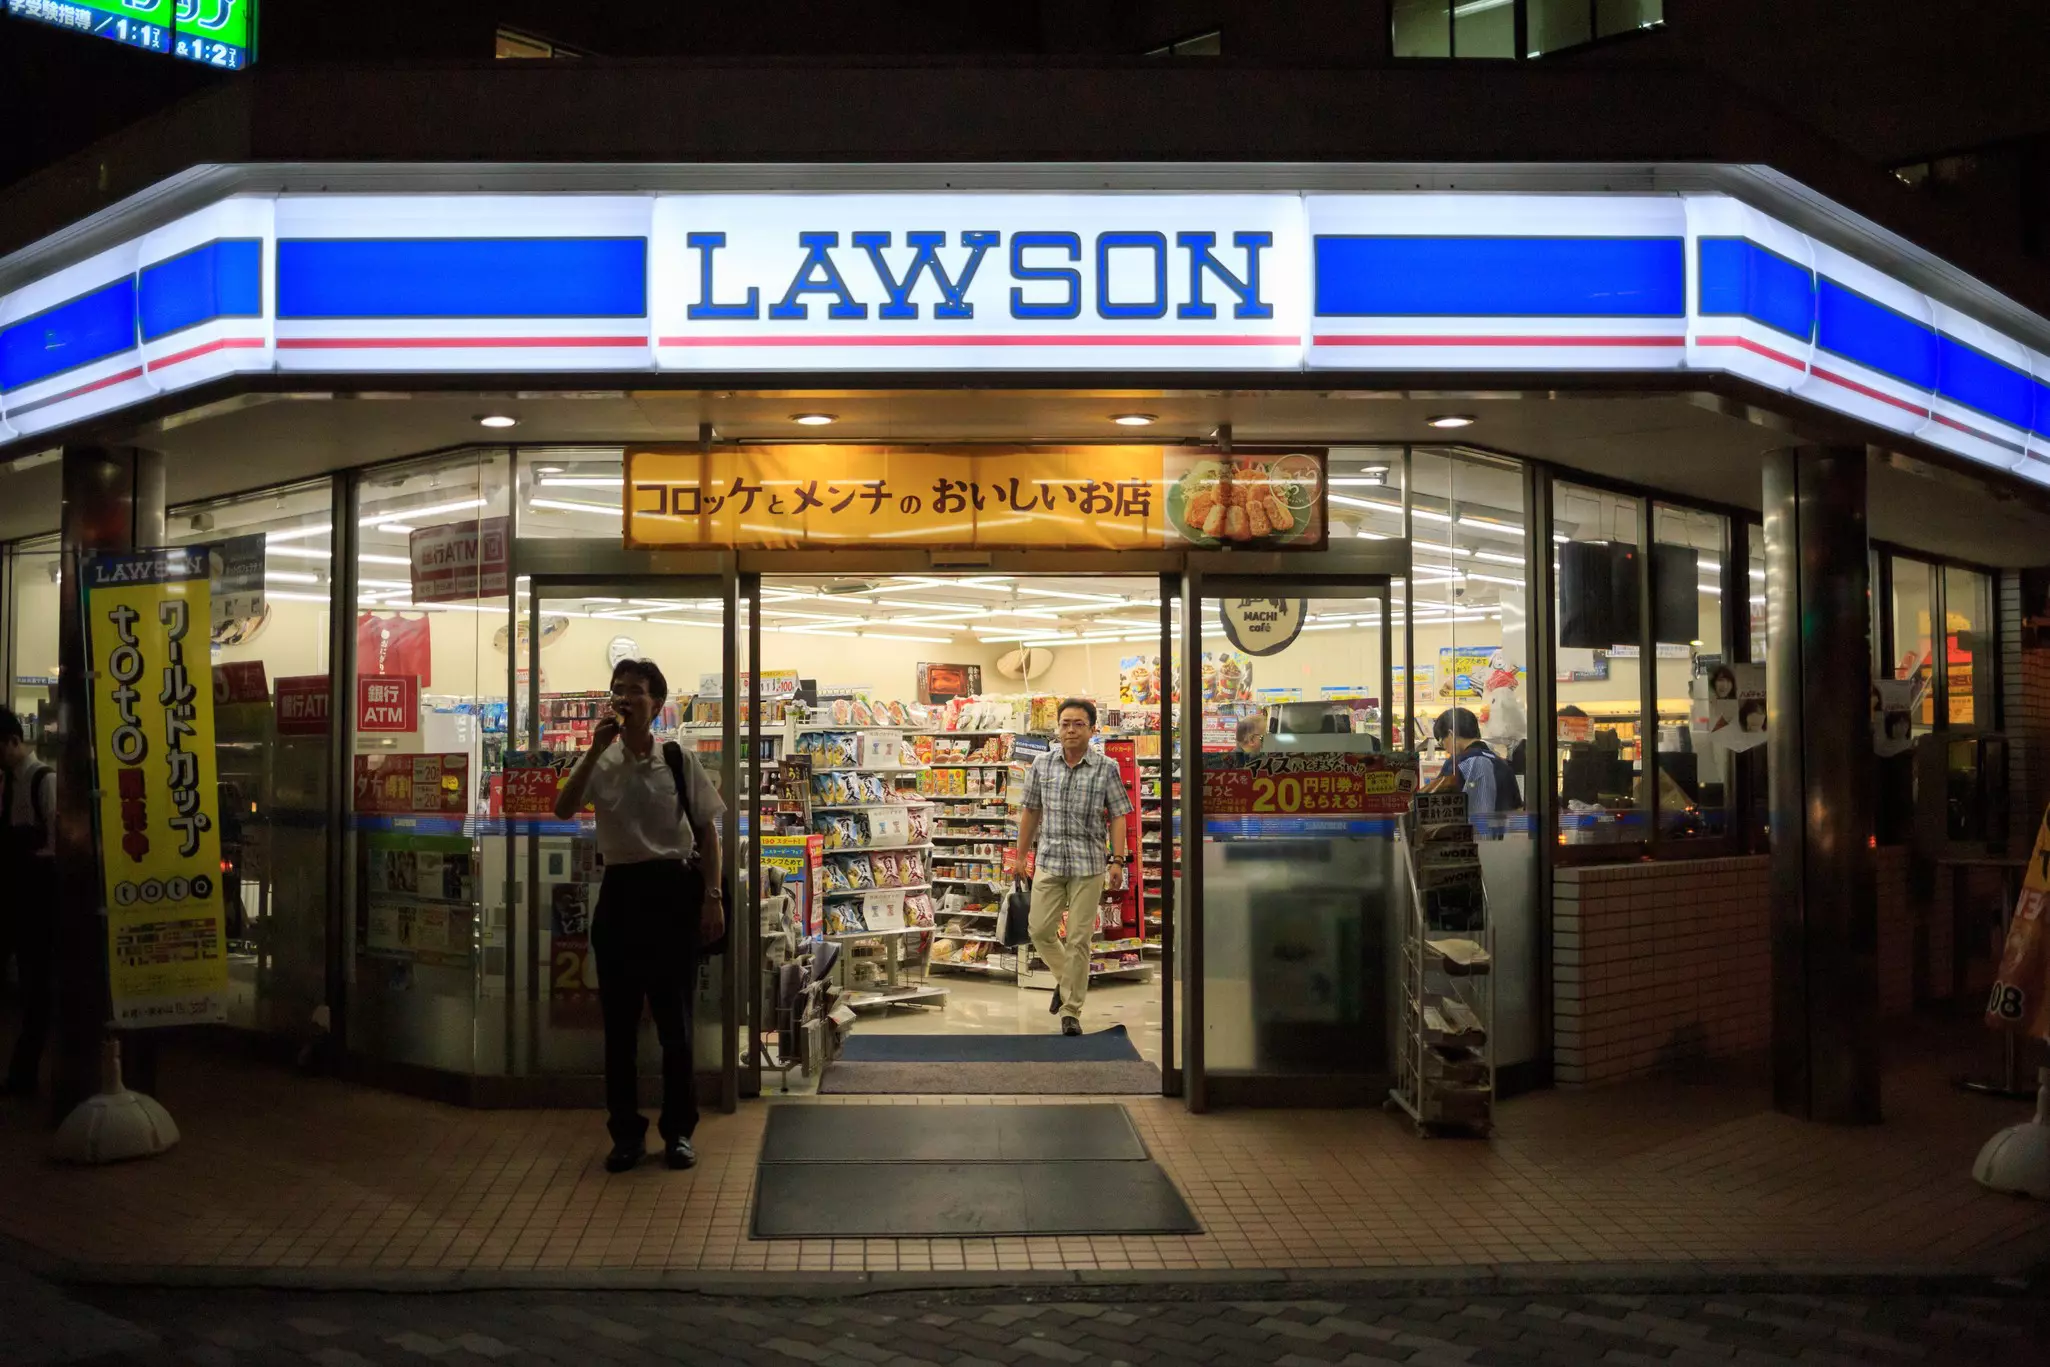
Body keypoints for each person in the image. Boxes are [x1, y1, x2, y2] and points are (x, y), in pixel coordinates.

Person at [553, 660, 725, 1174]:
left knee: (675, 1024)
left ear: (656, 703)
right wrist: (593, 748)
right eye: (618, 690)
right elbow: (564, 808)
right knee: (620, 1026)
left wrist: (711, 896)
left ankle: (678, 1133)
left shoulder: (677, 758)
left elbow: (707, 832)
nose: (625, 698)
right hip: (622, 893)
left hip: (671, 891)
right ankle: (625, 1134)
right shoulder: (600, 761)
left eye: (636, 692)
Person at [1014, 698, 1133, 1037]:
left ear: (1092, 729)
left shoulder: (1106, 767)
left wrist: (1118, 859)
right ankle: (1068, 981)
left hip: (1089, 863)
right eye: (1065, 723)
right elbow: (1031, 812)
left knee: (1079, 938)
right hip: (1050, 861)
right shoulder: (1042, 764)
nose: (1070, 730)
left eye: (1078, 724)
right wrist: (1021, 856)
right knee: (1039, 931)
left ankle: (1071, 1011)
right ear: (1058, 727)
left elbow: (1119, 816)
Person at [1, 707, 56, 1097]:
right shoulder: (10, 783)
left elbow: (57, 845)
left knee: (37, 990)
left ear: (14, 742)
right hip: (15, 898)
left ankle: (24, 1075)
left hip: (36, 902)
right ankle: (21, 1075)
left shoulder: (43, 781)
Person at [1427, 706, 1521, 818]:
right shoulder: (1503, 764)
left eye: (1442, 743)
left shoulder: (1456, 763)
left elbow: (1434, 808)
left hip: (1465, 833)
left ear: (1451, 734)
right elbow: (1517, 810)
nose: (1446, 749)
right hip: (1503, 834)